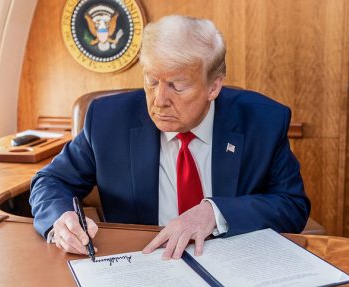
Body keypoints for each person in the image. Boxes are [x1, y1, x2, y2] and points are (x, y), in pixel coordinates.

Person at [29, 15, 310, 260]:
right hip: (144, 262)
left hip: (233, 260)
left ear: (213, 87)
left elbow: (292, 206)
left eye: (177, 86)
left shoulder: (263, 121)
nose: (159, 100)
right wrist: (60, 219)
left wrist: (216, 213)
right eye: (152, 81)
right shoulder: (107, 120)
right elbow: (50, 181)